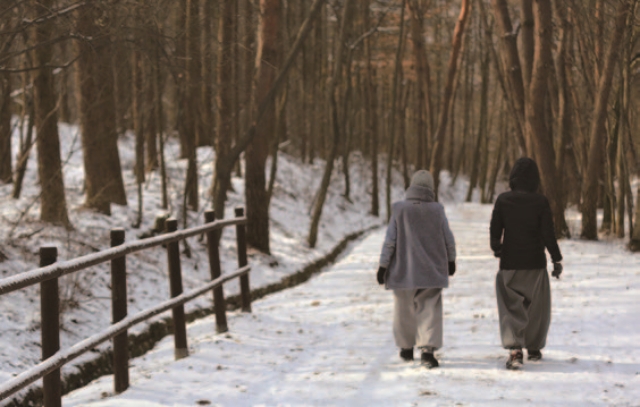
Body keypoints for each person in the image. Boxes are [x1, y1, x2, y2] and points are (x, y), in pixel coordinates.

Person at [377, 170, 457, 368]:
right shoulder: (437, 210)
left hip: (403, 270)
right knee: (430, 308)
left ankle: (406, 348)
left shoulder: (399, 209)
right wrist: (451, 260)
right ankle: (427, 352)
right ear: (431, 189)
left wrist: (383, 266)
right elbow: (448, 239)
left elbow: (390, 241)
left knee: (403, 308)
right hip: (432, 271)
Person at [489, 157, 563, 370]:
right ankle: (533, 347)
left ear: (513, 178)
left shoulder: (503, 200)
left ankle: (514, 350)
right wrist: (556, 258)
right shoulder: (541, 202)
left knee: (511, 307)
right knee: (537, 308)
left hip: (510, 263)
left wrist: (497, 248)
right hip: (535, 263)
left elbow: (495, 230)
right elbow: (548, 234)